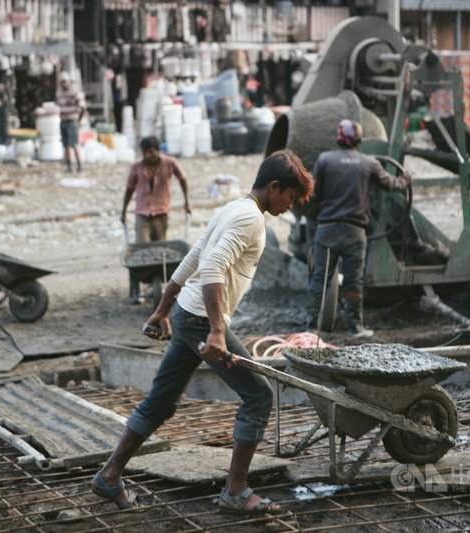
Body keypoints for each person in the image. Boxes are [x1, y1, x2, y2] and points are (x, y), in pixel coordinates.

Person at [92, 149, 313, 514]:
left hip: (184, 314)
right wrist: (215, 330)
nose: (290, 206)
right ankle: (235, 492)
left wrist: (164, 308)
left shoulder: (232, 208)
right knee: (258, 395)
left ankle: (109, 476)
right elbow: (209, 267)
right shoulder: (250, 220)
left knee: (161, 401)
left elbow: (193, 256)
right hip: (199, 321)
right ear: (274, 187)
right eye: (290, 197)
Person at [306, 120, 412, 338]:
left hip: (326, 230)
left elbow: (312, 193)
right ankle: (356, 328)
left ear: (338, 138)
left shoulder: (324, 159)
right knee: (354, 280)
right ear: (359, 140)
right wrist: (405, 179)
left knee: (320, 278)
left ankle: (311, 328)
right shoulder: (369, 162)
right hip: (355, 233)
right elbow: (392, 184)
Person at [121, 135, 191, 301]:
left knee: (161, 253)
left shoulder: (169, 163)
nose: (147, 156)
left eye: (151, 152)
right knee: (141, 250)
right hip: (142, 213)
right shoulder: (136, 166)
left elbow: (183, 178)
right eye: (144, 152)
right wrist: (123, 210)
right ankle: (138, 288)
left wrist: (187, 202)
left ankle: (159, 286)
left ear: (157, 151)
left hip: (161, 212)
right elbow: (129, 189)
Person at [55, 71, 85, 174]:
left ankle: (79, 167)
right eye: (62, 82)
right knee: (66, 145)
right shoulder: (59, 94)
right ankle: (69, 167)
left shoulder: (74, 93)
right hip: (63, 121)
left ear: (69, 82)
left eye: (65, 82)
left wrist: (79, 119)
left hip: (72, 121)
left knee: (74, 145)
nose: (64, 84)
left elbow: (83, 107)